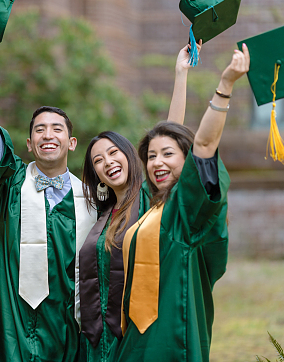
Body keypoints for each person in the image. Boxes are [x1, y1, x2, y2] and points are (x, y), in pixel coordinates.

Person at [0, 30, 98, 362]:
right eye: (39, 130)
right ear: (29, 144)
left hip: (69, 327)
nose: (48, 135)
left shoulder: (91, 199)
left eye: (57, 129)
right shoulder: (9, 183)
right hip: (13, 323)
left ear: (71, 143)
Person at [116, 44, 250, 361]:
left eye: (167, 155)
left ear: (187, 162)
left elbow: (202, 144)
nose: (157, 162)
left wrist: (225, 85)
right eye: (150, 157)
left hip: (173, 338)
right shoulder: (154, 206)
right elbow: (169, 133)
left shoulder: (187, 210)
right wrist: (180, 75)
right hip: (136, 341)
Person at [78, 42, 200, 362]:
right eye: (98, 161)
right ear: (97, 175)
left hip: (133, 330)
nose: (108, 162)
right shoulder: (103, 215)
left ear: (132, 155)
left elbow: (170, 132)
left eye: (113, 152)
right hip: (95, 338)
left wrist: (180, 75)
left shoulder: (148, 197)